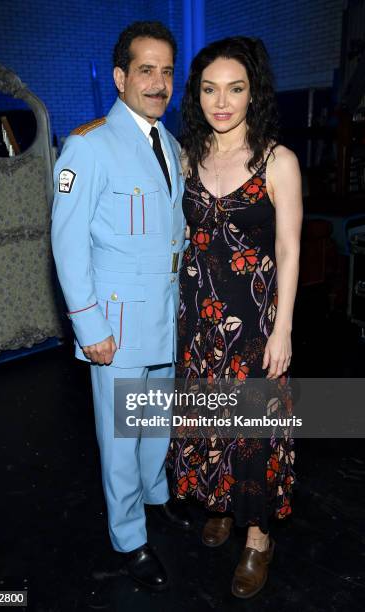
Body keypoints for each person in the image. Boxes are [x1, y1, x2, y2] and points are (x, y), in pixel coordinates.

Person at [51, 21, 192, 591]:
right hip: (117, 324)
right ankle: (129, 538)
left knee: (156, 422)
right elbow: (67, 242)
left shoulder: (170, 142)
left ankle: (156, 500)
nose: (158, 83)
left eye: (166, 71)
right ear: (120, 76)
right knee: (121, 437)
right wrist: (89, 327)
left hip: (164, 316)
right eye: (145, 71)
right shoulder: (88, 145)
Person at [168, 36, 302, 599]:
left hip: (253, 327)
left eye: (235, 88)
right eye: (208, 89)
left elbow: (291, 248)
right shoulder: (186, 156)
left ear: (254, 93)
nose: (221, 101)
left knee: (253, 435)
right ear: (196, 95)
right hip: (198, 323)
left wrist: (284, 329)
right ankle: (220, 504)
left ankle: (256, 535)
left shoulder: (279, 160)